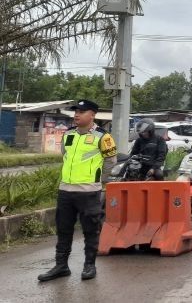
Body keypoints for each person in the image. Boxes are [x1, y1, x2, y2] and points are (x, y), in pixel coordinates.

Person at [39, 100, 117, 282]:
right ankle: (61, 266)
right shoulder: (69, 135)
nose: (77, 115)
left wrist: (98, 181)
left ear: (92, 115)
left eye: (82, 111)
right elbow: (65, 155)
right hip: (66, 190)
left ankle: (89, 265)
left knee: (90, 230)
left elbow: (110, 162)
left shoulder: (103, 137)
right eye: (76, 111)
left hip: (89, 192)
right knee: (63, 229)